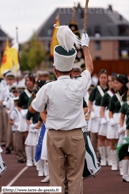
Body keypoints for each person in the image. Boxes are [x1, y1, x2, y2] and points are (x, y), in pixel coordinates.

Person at [29, 26, 93, 194]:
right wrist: (85, 46)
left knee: (56, 177)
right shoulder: (79, 83)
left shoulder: (48, 88)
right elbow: (90, 68)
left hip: (55, 135)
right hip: (75, 136)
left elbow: (33, 108)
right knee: (75, 176)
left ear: (55, 70)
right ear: (72, 70)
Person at [107, 74, 128, 171]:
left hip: (125, 120)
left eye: (117, 83)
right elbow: (110, 110)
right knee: (113, 141)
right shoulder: (114, 97)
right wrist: (110, 119)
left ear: (123, 84)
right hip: (115, 121)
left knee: (123, 143)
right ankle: (115, 163)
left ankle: (122, 166)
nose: (114, 85)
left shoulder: (127, 95)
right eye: (114, 83)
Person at [88, 69, 109, 159]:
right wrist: (91, 111)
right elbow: (89, 102)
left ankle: (106, 156)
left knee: (105, 134)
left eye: (105, 77)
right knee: (95, 135)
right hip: (96, 112)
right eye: (101, 77)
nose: (103, 79)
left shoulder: (110, 90)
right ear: (99, 78)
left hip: (107, 112)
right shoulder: (95, 89)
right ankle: (96, 154)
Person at [99, 75, 116, 166]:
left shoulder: (120, 94)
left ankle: (113, 159)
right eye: (109, 81)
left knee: (113, 139)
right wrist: (102, 118)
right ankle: (105, 159)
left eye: (112, 81)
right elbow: (102, 109)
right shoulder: (107, 94)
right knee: (103, 137)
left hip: (117, 117)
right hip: (108, 117)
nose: (111, 83)